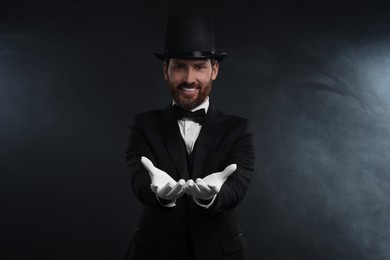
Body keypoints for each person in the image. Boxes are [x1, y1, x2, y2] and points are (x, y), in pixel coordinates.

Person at [125, 15, 255, 260]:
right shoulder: (142, 125)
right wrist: (159, 196)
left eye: (199, 67)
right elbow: (140, 181)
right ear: (166, 69)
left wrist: (213, 195)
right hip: (154, 253)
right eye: (179, 67)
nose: (189, 78)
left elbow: (238, 186)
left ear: (214, 70)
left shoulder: (239, 129)